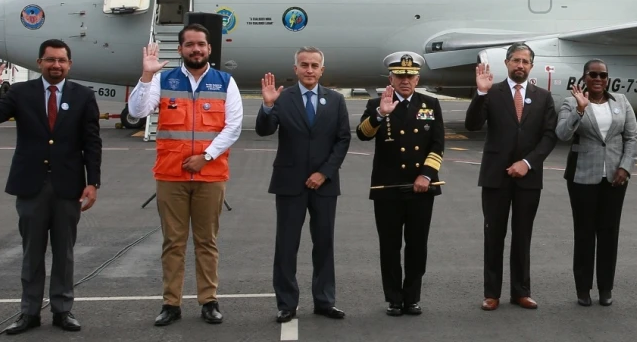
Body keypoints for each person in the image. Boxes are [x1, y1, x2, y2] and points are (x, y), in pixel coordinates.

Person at [126, 23, 243, 326]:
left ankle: (209, 300)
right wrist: (146, 75)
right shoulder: (162, 80)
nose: (196, 49)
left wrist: (205, 157)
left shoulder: (225, 82)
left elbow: (233, 127)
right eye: (189, 44)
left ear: (209, 49)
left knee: (207, 241)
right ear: (180, 49)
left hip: (210, 176)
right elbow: (138, 112)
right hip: (170, 176)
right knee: (173, 243)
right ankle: (171, 303)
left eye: (201, 44)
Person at [0, 41, 102, 334]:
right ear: (39, 62)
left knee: (64, 252)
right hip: (31, 185)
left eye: (62, 60)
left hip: (69, 187)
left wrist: (93, 182)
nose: (56, 65)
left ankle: (63, 310)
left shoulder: (83, 96)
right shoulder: (20, 92)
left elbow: (92, 142)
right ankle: (29, 313)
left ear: (69, 64)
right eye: (50, 60)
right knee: (32, 253)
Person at [256, 46, 351, 323]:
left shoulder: (335, 100)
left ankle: (324, 300)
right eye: (304, 65)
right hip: (289, 183)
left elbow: (343, 139)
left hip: (324, 184)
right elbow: (264, 130)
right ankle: (286, 303)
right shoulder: (282, 98)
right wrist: (268, 105)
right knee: (286, 245)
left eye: (314, 65)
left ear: (322, 70)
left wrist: (324, 173)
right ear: (295, 69)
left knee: (324, 243)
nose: (309, 70)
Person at [464, 42, 557, 311]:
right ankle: (491, 293)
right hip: (495, 178)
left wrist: (528, 163)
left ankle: (521, 292)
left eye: (525, 61)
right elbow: (472, 125)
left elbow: (549, 136)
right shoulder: (492, 93)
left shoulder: (543, 97)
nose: (520, 65)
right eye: (515, 60)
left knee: (522, 236)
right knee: (494, 235)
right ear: (506, 63)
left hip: (528, 179)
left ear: (531, 66)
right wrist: (480, 93)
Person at [356, 52, 444, 317]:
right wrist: (381, 116)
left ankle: (412, 297)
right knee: (390, 246)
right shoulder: (377, 103)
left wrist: (426, 175)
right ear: (391, 78)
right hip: (388, 188)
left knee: (417, 245)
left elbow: (438, 144)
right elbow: (362, 134)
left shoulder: (430, 104)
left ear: (417, 79)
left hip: (421, 187)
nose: (405, 81)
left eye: (409, 76)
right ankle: (394, 298)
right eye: (399, 76)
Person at [555, 59, 637, 307]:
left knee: (609, 233)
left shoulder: (621, 102)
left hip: (615, 177)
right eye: (593, 74)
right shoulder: (571, 102)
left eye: (603, 75)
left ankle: (605, 288)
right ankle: (583, 289)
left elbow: (632, 137)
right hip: (582, 176)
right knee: (584, 233)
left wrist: (625, 166)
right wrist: (580, 110)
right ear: (584, 78)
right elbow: (562, 134)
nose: (599, 79)